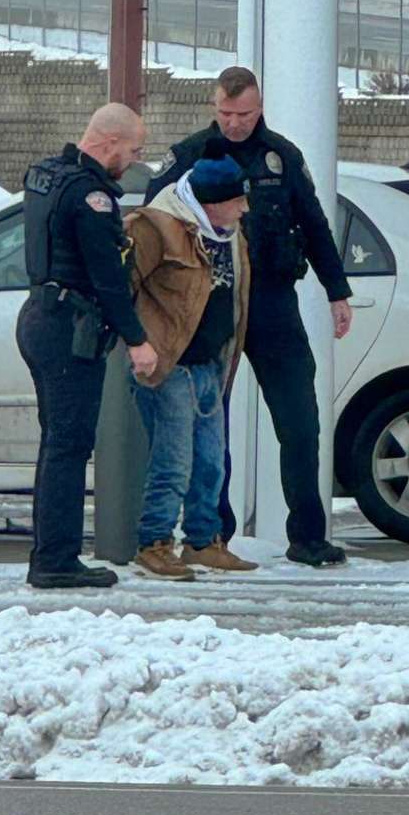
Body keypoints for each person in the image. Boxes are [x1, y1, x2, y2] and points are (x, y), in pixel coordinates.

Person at [145, 67, 354, 568]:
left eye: (244, 114)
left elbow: (316, 224)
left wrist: (337, 290)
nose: (235, 123)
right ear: (214, 107)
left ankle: (307, 535)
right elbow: (151, 222)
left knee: (300, 421)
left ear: (260, 108)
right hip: (212, 303)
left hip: (273, 302)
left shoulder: (282, 157)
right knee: (209, 423)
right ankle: (213, 534)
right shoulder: (191, 155)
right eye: (226, 113)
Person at [17, 103, 159, 590]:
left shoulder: (46, 175)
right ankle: (56, 560)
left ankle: (50, 553)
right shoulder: (92, 196)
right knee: (69, 444)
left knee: (55, 441)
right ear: (109, 142)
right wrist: (137, 340)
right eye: (133, 150)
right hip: (69, 329)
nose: (134, 159)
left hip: (39, 316)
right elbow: (107, 277)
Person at [124, 141, 260, 581]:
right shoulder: (157, 227)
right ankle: (155, 542)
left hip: (210, 363)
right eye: (237, 200)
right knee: (173, 460)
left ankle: (203, 540)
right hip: (173, 365)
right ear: (212, 203)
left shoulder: (228, 233)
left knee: (211, 462)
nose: (244, 208)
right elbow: (122, 284)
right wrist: (137, 342)